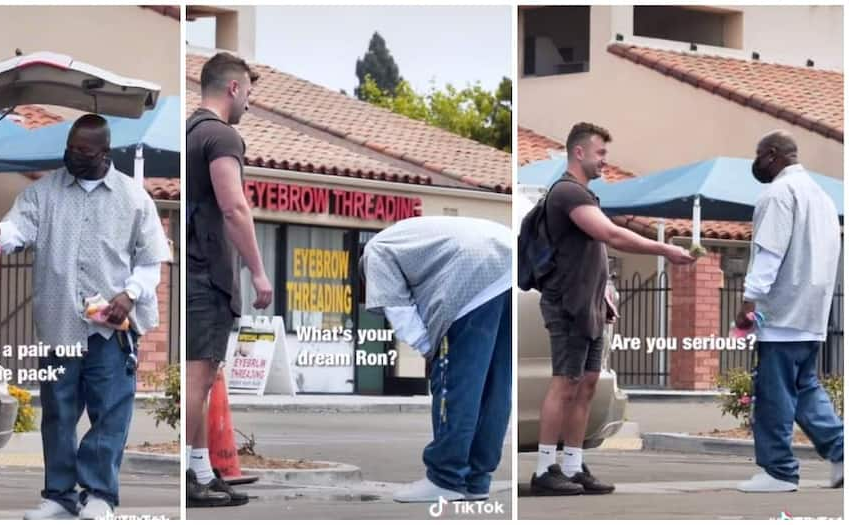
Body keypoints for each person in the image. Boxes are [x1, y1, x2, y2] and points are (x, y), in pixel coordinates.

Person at [0, 114, 171, 519]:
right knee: (58, 414)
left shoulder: (134, 198)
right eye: (69, 149)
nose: (73, 156)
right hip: (59, 324)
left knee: (110, 414)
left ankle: (99, 495)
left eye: (83, 152)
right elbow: (17, 230)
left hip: (111, 330)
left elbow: (151, 261)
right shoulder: (44, 193)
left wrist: (130, 294)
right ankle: (58, 497)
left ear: (104, 153)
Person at [530, 122, 695, 496]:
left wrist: (603, 288)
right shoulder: (568, 193)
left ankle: (572, 465)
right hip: (568, 306)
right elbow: (611, 234)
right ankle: (544, 470)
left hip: (590, 306)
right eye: (600, 153)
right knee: (565, 383)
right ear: (579, 152)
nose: (605, 160)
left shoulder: (585, 195)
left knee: (586, 384)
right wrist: (665, 249)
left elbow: (595, 251)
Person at [361, 216, 512, 503]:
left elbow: (399, 310)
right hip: (507, 261)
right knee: (496, 385)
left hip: (472, 271)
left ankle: (446, 478)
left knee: (458, 383)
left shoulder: (376, 251)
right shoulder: (407, 241)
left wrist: (432, 353)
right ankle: (477, 480)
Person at [186, 52, 273, 508]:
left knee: (201, 375)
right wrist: (258, 271)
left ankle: (200, 470)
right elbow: (234, 207)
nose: (248, 105)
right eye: (248, 94)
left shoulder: (189, 132)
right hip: (206, 275)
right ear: (233, 88)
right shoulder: (220, 136)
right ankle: (188, 475)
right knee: (198, 379)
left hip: (191, 271)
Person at [735, 130, 843, 493]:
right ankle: (841, 452)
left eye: (758, 155)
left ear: (772, 155)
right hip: (812, 314)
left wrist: (749, 300)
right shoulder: (822, 197)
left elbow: (769, 251)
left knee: (773, 393)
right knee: (806, 387)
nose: (757, 162)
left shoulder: (778, 194)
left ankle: (778, 471)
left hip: (781, 314)